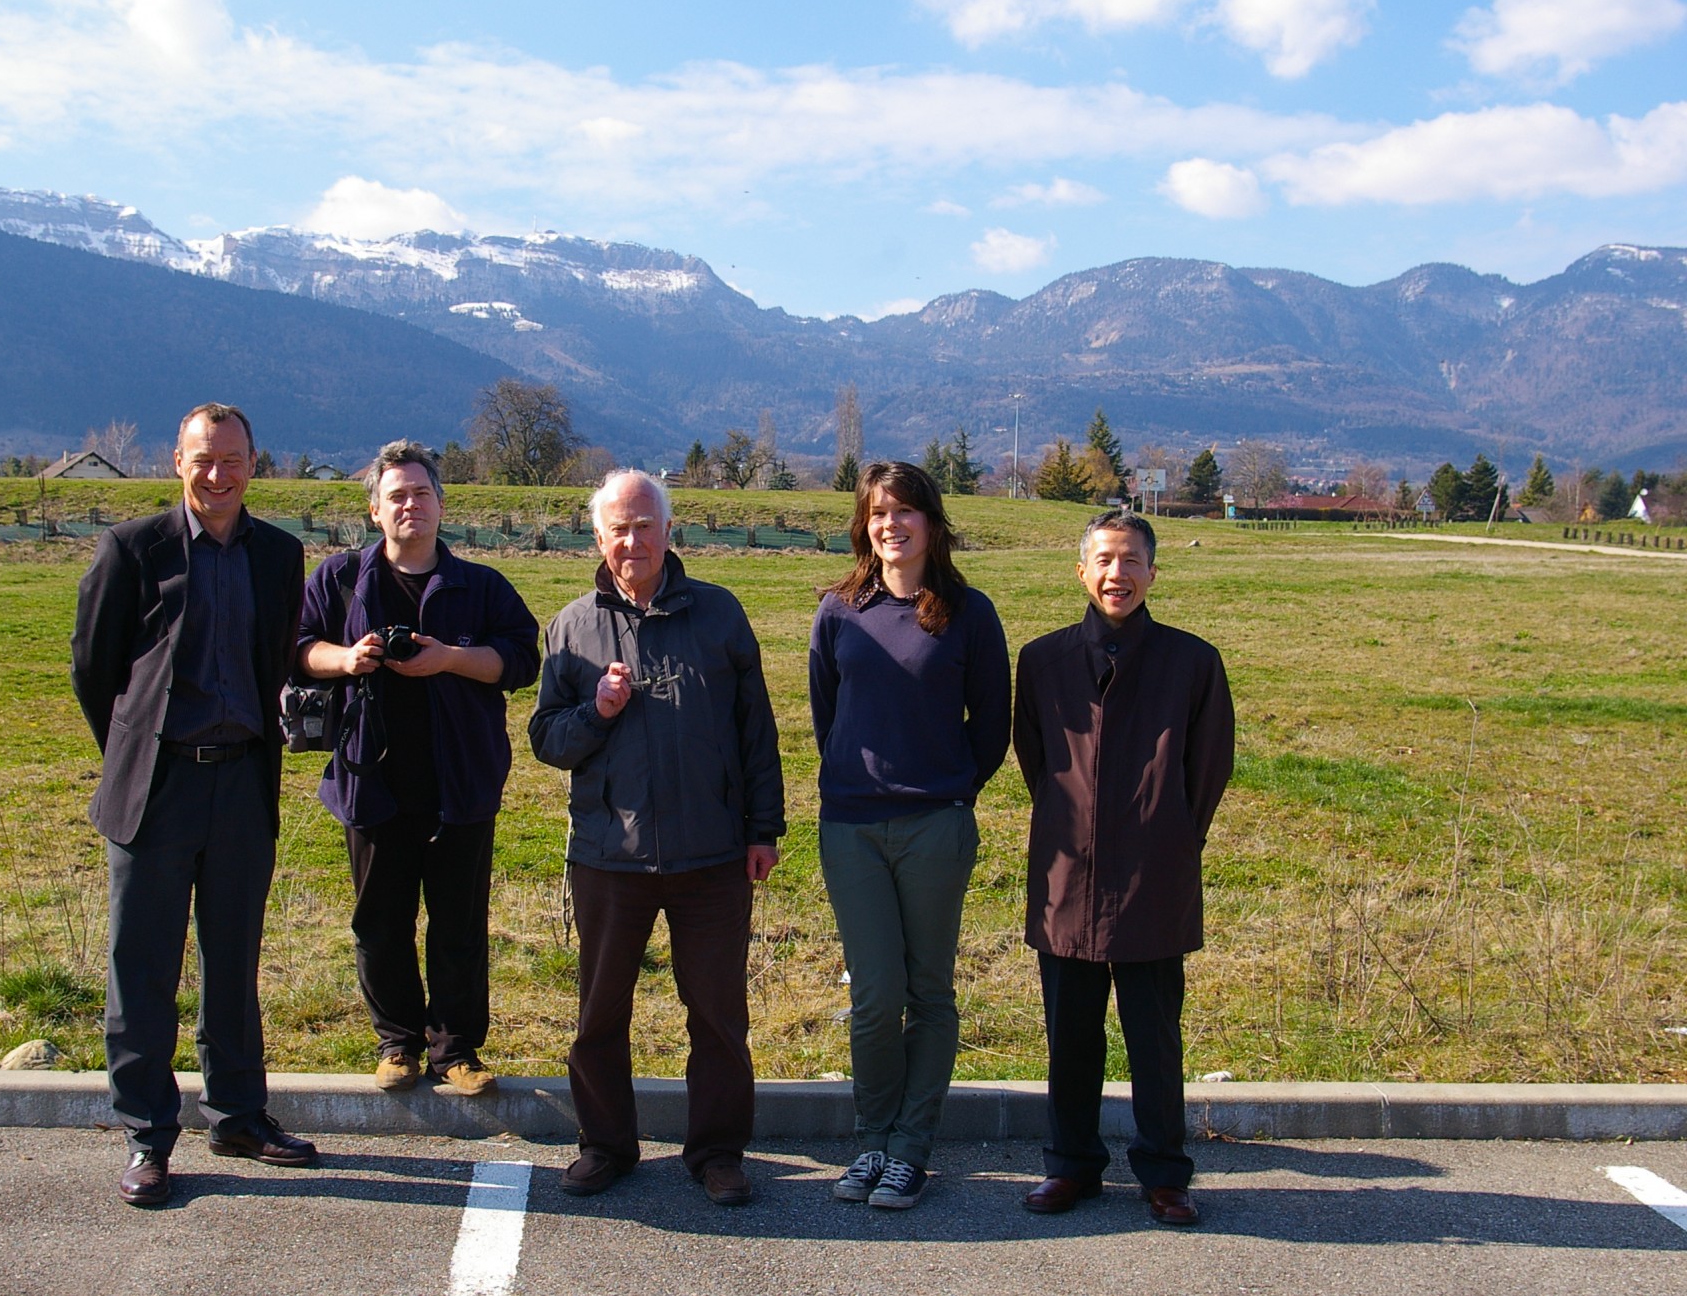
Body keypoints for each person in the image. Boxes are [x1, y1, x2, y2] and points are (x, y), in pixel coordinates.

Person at [71, 402, 316, 1209]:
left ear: (254, 464)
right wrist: (138, 748)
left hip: (242, 781)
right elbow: (94, 669)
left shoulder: (281, 555)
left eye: (234, 459)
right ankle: (148, 1135)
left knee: (232, 962)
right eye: (204, 459)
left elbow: (280, 652)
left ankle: (239, 1115)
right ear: (178, 461)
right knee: (140, 967)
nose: (219, 475)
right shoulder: (131, 549)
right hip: (157, 786)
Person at [529, 469, 785, 1207]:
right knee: (600, 1012)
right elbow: (547, 738)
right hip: (610, 856)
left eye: (645, 524)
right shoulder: (573, 625)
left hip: (711, 854)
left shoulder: (719, 615)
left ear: (670, 532)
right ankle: (605, 1144)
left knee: (717, 1015)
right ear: (598, 536)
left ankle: (717, 1153)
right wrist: (597, 713)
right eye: (618, 527)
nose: (632, 539)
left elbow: (755, 733)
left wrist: (762, 828)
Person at [294, 440, 539, 1095]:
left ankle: (456, 1051)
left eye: (421, 493)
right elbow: (296, 650)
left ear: (441, 504)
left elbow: (521, 661)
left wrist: (449, 659)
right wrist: (345, 659)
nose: (411, 505)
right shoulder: (339, 579)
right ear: (375, 509)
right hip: (369, 779)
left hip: (459, 781)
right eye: (397, 495)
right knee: (380, 921)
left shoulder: (480, 586)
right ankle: (397, 1044)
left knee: (459, 924)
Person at [1012, 511, 1235, 1226]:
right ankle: (1070, 1167)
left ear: (1152, 573)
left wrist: (1164, 833)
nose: (1117, 574)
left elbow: (1209, 769)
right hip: (1065, 879)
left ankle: (1165, 1175)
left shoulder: (1192, 662)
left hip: (1154, 878)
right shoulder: (1042, 660)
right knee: (1070, 1035)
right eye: (1104, 560)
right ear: (1081, 571)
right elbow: (1037, 761)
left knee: (1154, 1037)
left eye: (1132, 561)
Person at [808, 461, 1010, 1211]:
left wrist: (946, 786)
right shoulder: (838, 611)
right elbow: (828, 716)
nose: (891, 524)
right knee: (874, 995)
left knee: (929, 991)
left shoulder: (969, 613)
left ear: (931, 521)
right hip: (851, 829)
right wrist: (860, 778)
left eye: (905, 511)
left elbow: (991, 727)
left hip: (935, 826)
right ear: (865, 524)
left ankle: (910, 1150)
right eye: (877, 513)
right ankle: (871, 1140)